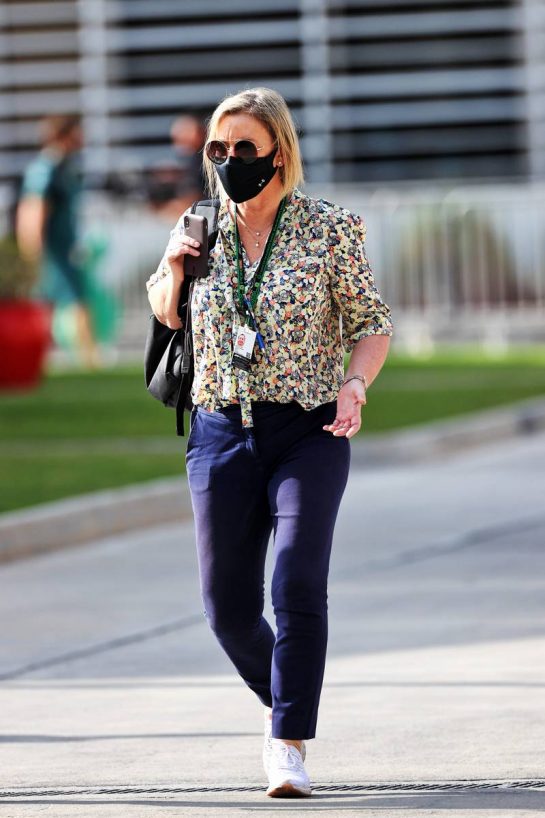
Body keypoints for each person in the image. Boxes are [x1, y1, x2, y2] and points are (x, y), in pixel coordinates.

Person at [146, 87, 393, 798]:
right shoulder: (198, 225)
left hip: (306, 429)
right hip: (218, 429)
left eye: (242, 149)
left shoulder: (328, 228)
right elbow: (165, 316)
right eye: (217, 150)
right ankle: (281, 695)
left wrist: (354, 384)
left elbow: (370, 322)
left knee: (295, 584)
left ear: (277, 153)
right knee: (225, 606)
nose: (227, 161)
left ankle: (287, 744)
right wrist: (178, 264)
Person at [16, 114, 100, 368]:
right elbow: (34, 207)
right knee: (70, 303)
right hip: (52, 250)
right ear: (64, 136)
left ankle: (56, 358)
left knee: (58, 303)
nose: (82, 138)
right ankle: (89, 360)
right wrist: (33, 248)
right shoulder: (46, 168)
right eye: (77, 133)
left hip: (65, 248)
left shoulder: (66, 166)